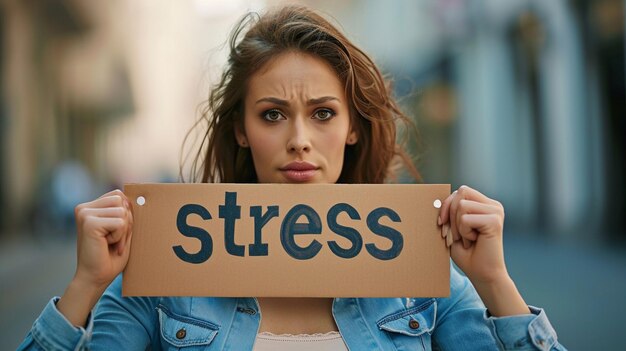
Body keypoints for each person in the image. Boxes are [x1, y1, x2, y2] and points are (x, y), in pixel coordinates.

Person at [18, 5, 566, 350]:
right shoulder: (162, 275)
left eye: (323, 113)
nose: (299, 138)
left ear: (352, 127)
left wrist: (496, 283)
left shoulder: (421, 274)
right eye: (273, 114)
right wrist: (84, 287)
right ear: (240, 130)